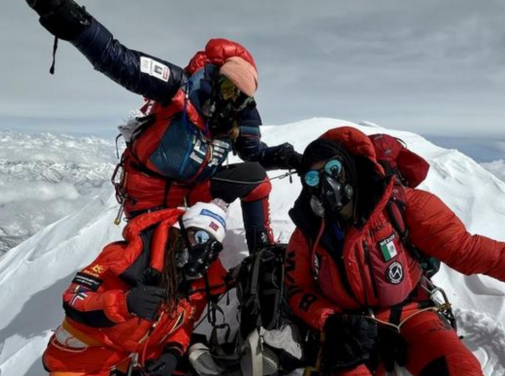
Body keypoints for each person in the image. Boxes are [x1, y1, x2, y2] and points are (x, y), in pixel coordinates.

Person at [284, 127, 505, 376]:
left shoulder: (403, 205)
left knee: (460, 371)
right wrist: (331, 321)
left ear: (351, 168)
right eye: (314, 177)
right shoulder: (309, 231)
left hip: (413, 313)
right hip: (348, 327)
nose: (326, 182)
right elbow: (297, 290)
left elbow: (468, 250)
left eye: (333, 170)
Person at [25, 0, 302, 253]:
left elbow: (254, 154)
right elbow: (119, 60)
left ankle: (263, 256)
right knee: (157, 262)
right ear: (216, 78)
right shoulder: (178, 85)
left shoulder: (241, 118)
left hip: (194, 192)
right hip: (148, 193)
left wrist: (288, 157)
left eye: (240, 96)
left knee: (255, 180)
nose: (231, 98)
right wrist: (73, 21)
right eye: (228, 87)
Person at [43, 200, 232, 376]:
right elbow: (74, 298)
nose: (203, 251)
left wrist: (172, 354)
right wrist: (125, 303)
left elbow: (183, 326)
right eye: (200, 237)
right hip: (82, 363)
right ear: (179, 231)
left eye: (212, 247)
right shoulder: (124, 257)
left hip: (133, 364)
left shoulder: (194, 286)